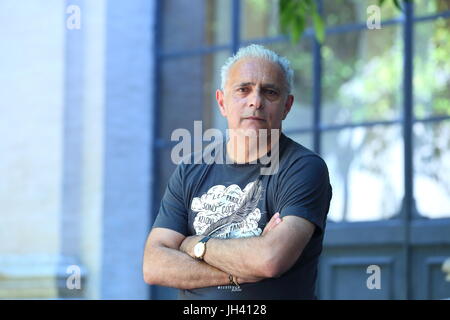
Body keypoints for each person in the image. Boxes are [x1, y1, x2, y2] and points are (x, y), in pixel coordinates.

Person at [142, 44, 332, 299]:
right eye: (243, 90)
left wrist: (194, 244)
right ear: (222, 102)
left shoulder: (302, 168)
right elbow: (154, 264)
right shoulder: (191, 169)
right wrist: (236, 273)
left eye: (270, 92)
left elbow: (270, 258)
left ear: (286, 106)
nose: (255, 101)